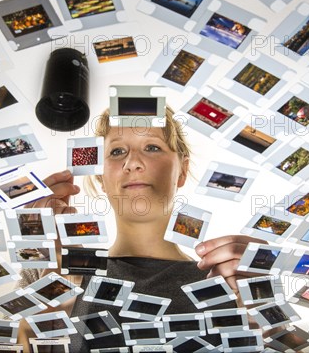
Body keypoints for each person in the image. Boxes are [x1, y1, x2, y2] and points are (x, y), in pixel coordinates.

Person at [17, 107, 262, 351]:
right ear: (100, 178)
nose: (132, 163)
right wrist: (53, 297)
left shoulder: (230, 279)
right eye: (117, 151)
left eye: (152, 147)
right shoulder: (49, 269)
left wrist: (262, 301)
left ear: (182, 171)